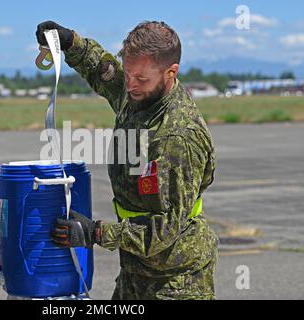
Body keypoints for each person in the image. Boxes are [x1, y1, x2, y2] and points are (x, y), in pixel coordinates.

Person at [36, 20, 219, 300]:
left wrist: (95, 233)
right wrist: (71, 43)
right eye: (130, 74)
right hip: (136, 270)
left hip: (176, 280)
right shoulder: (141, 94)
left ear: (171, 73)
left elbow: (164, 229)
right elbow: (105, 73)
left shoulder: (177, 138)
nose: (130, 85)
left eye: (141, 79)